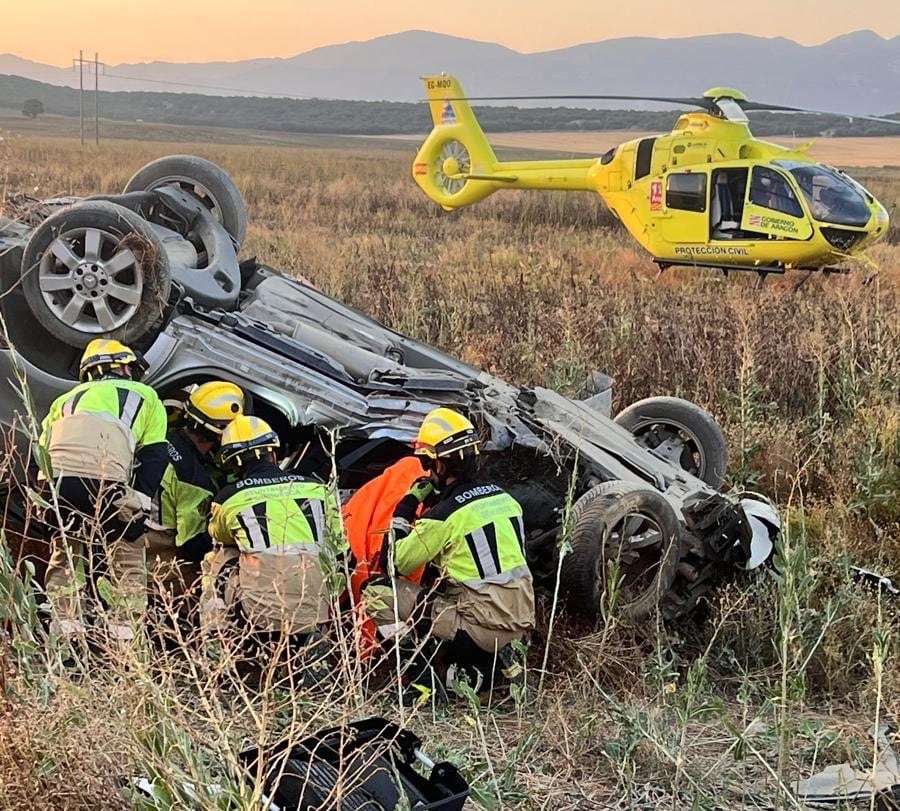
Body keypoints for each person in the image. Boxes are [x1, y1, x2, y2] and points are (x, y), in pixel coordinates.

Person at [363, 407, 535, 692]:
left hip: (479, 629)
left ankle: (419, 681)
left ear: (440, 465)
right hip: (521, 623)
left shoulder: (445, 516)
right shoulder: (506, 500)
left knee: (377, 592)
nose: (426, 472)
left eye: (425, 463)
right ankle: (500, 659)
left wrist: (406, 508)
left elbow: (391, 562)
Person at [39, 339, 168, 646]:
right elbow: (155, 456)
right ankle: (125, 644)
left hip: (58, 486)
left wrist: (45, 500)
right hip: (106, 483)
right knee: (128, 560)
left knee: (67, 556)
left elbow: (41, 451)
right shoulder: (145, 394)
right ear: (125, 367)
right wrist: (138, 505)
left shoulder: (65, 400)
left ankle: (65, 637)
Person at [203, 416, 346, 675]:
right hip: (316, 607)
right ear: (274, 453)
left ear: (232, 464)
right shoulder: (317, 488)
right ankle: (318, 644)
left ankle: (218, 645)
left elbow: (219, 536)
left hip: (260, 611)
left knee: (219, 556)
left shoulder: (228, 498)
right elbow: (341, 549)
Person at [145, 381, 244, 608]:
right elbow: (191, 544)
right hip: (157, 554)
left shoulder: (161, 435)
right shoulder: (195, 480)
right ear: (220, 436)